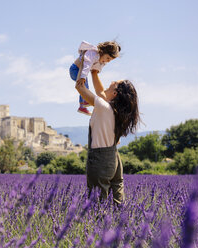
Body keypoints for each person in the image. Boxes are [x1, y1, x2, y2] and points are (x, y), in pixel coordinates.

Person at [75, 70, 140, 204]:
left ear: (115, 93)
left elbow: (79, 87)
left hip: (100, 159)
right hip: (114, 158)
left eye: (115, 82)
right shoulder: (116, 111)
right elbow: (100, 93)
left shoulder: (104, 108)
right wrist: (94, 73)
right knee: (117, 202)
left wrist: (84, 65)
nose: (112, 81)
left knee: (97, 205)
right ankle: (121, 224)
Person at [69, 41, 121, 115]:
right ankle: (83, 102)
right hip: (75, 69)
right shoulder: (93, 54)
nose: (107, 61)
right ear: (103, 52)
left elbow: (96, 68)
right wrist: (83, 76)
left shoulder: (100, 59)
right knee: (84, 85)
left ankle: (82, 106)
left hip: (80, 70)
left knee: (85, 86)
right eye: (108, 58)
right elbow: (87, 65)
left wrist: (97, 70)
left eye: (110, 60)